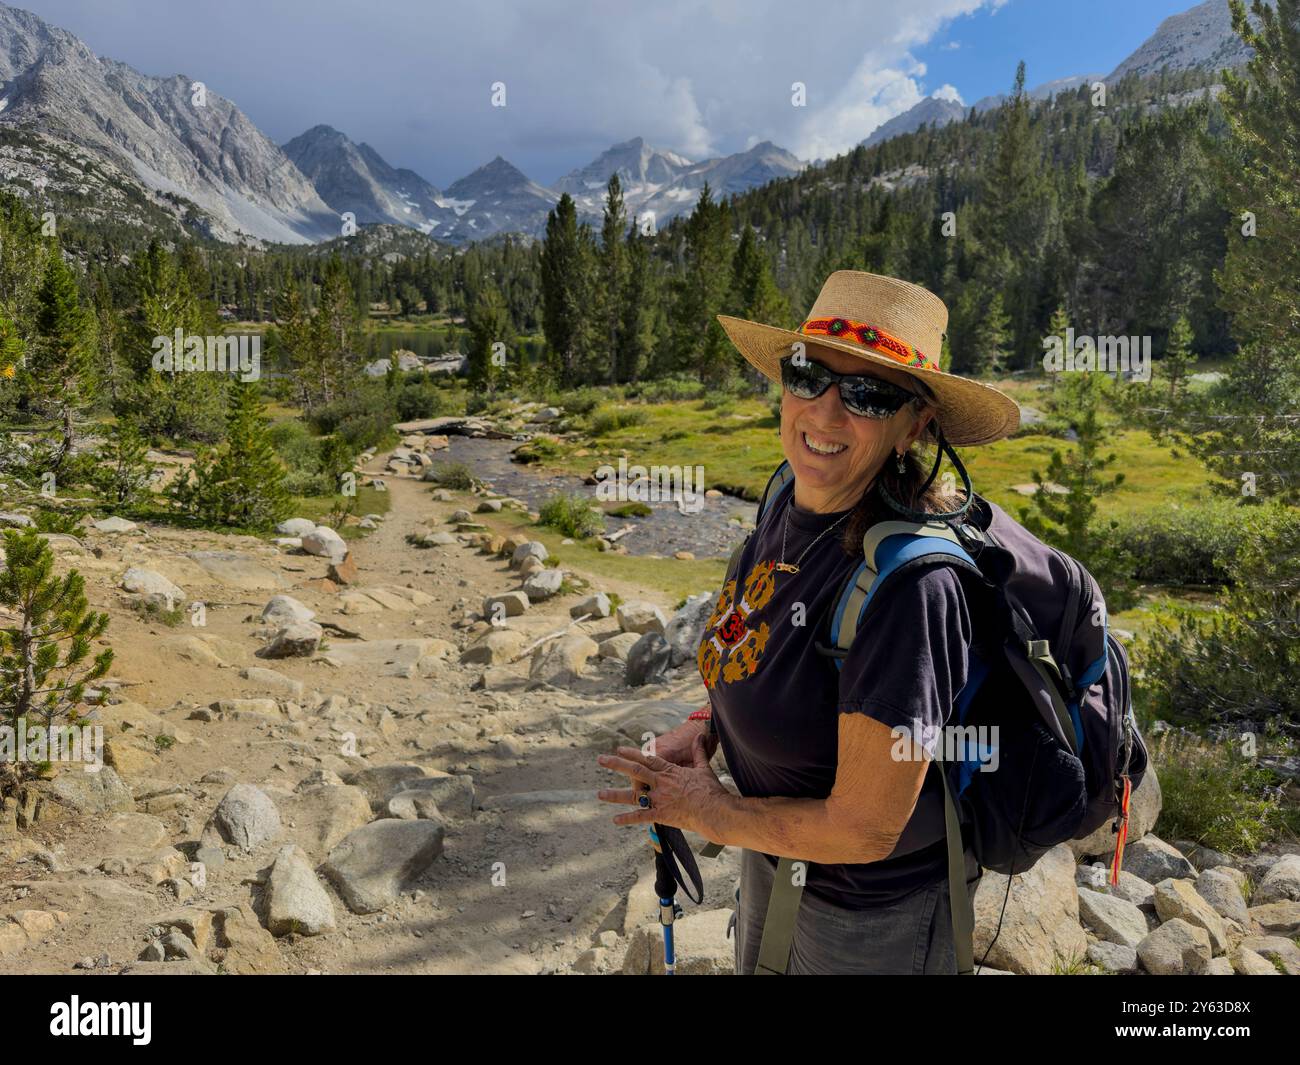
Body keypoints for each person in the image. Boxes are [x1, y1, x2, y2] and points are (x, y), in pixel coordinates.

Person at [596, 270, 1021, 974]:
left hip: (872, 913)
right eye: (807, 374)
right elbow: (778, 653)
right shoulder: (787, 497)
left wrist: (711, 813)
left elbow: (866, 826)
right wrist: (710, 726)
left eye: (869, 393)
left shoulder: (913, 587)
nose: (825, 413)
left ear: (915, 424)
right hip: (777, 863)